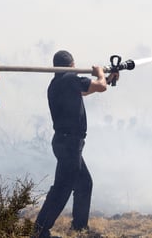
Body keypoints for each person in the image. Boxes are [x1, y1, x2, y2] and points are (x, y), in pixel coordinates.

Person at [33, 50, 118, 238]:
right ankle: (40, 230)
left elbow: (90, 89)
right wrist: (100, 74)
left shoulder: (57, 83)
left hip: (66, 142)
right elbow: (100, 86)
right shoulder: (70, 79)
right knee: (63, 187)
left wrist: (109, 77)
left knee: (84, 184)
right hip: (69, 142)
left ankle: (79, 227)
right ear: (71, 65)